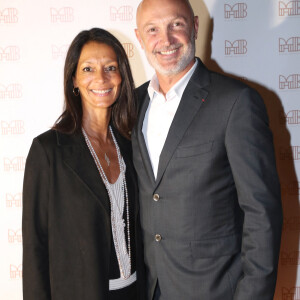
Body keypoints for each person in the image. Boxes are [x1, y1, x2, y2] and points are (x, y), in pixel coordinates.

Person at [132, 0, 282, 299]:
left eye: (176, 24)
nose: (166, 40)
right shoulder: (132, 105)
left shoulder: (236, 103)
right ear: (139, 38)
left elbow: (262, 213)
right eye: (153, 30)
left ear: (195, 27)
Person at [22, 28, 145, 300]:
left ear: (122, 77)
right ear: (74, 80)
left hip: (136, 292)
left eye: (110, 67)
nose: (101, 78)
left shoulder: (132, 144)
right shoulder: (48, 151)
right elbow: (35, 248)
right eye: (88, 69)